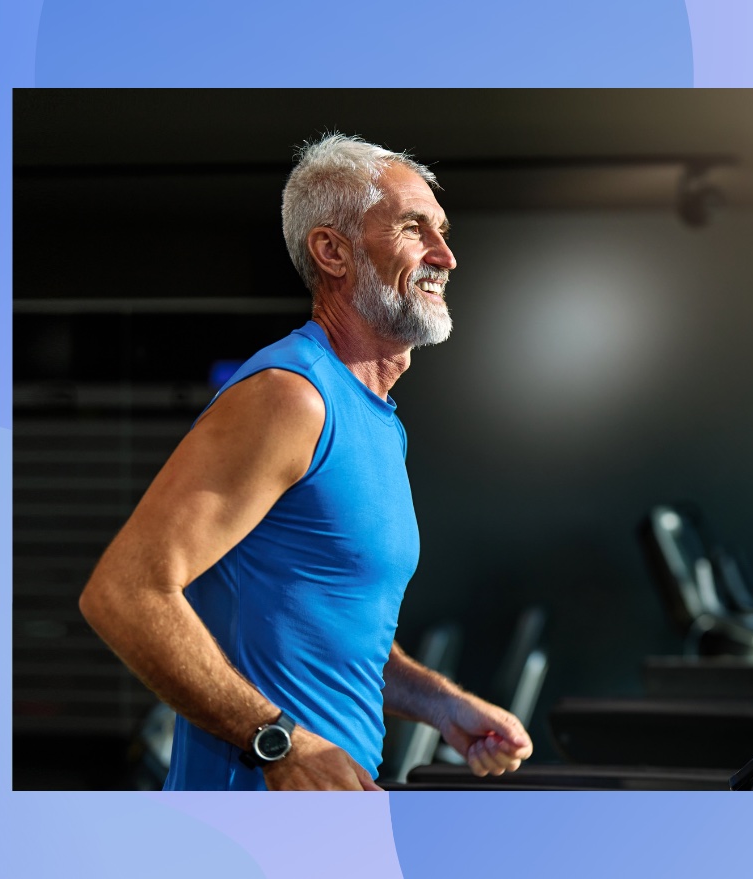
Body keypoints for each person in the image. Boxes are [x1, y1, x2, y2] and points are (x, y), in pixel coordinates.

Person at [79, 134, 533, 790]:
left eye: (443, 230)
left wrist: (442, 705)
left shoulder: (375, 418)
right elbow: (123, 593)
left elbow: (331, 628)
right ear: (332, 250)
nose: (446, 255)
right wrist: (278, 742)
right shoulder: (291, 397)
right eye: (414, 228)